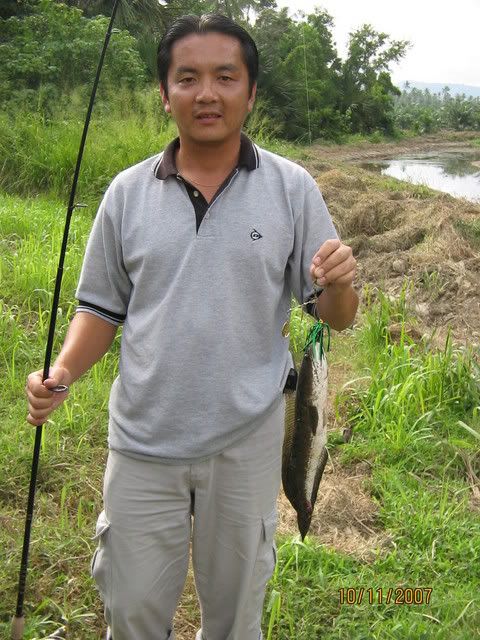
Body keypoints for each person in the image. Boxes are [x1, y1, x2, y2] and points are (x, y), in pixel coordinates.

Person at [26, 13, 358, 640]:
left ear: (250, 92)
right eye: (188, 78)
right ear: (165, 93)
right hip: (144, 439)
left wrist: (340, 284)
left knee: (236, 619)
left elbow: (334, 316)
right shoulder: (126, 194)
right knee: (131, 612)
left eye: (225, 77)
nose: (207, 93)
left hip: (248, 438)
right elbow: (100, 309)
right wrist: (62, 371)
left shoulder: (292, 189)